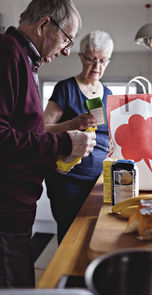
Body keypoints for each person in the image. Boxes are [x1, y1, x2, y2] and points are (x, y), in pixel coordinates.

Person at [0, 0, 96, 288]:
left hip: (17, 213)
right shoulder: (8, 53)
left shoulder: (24, 59)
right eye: (67, 39)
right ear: (43, 25)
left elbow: (26, 131)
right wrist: (62, 144)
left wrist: (66, 134)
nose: (67, 50)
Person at [44, 30, 114, 244]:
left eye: (103, 61)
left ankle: (90, 275)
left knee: (97, 235)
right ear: (81, 57)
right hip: (67, 180)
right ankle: (67, 277)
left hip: (100, 181)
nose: (97, 67)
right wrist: (73, 124)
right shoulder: (65, 88)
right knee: (69, 237)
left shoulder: (109, 94)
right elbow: (42, 129)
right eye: (92, 59)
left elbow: (108, 139)